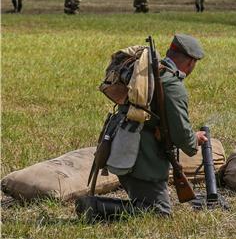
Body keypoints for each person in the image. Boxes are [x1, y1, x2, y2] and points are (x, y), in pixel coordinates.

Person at [75, 35, 208, 221]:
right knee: (158, 214)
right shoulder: (171, 84)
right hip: (142, 161)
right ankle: (95, 206)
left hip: (122, 148)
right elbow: (182, 136)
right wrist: (194, 140)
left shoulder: (148, 76)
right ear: (191, 62)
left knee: (151, 206)